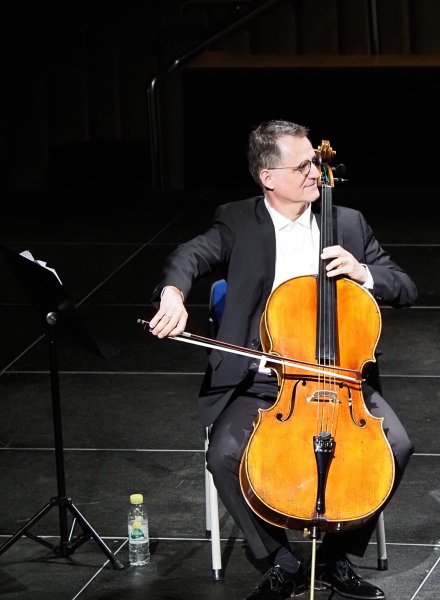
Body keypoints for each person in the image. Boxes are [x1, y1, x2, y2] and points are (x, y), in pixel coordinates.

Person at [149, 119, 417, 600]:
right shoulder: (237, 220)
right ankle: (280, 561)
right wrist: (172, 294)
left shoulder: (349, 223)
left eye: (316, 161)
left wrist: (364, 273)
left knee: (395, 447)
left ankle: (335, 558)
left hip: (341, 379)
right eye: (304, 165)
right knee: (224, 457)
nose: (316, 172)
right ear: (268, 177)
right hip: (261, 380)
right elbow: (188, 255)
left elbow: (405, 287)